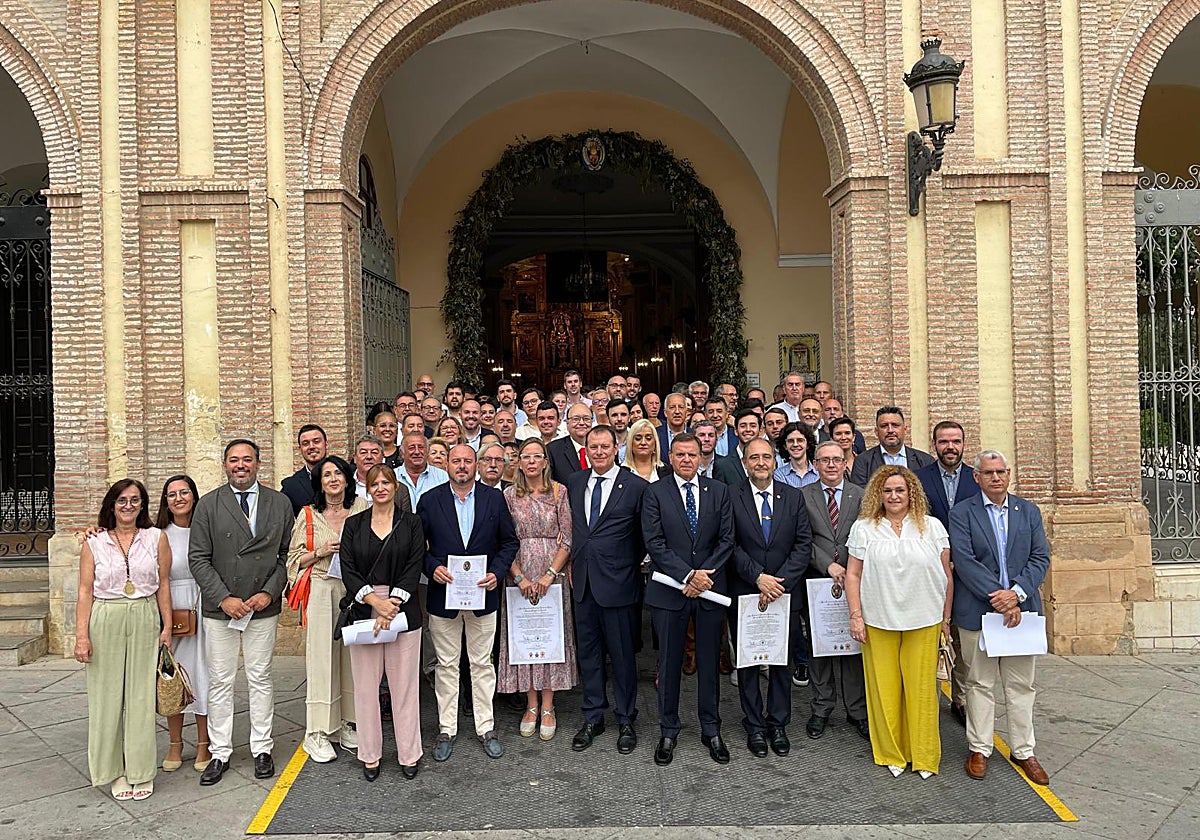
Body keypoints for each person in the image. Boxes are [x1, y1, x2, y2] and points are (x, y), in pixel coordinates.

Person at [189, 439, 295, 785]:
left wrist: (269, 591)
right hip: (222, 609)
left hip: (261, 606)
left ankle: (262, 748)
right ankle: (219, 752)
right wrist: (223, 598)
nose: (240, 465)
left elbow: (286, 555)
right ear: (225, 465)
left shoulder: (280, 503)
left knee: (260, 677)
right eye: (234, 460)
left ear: (257, 463)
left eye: (247, 460)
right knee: (220, 681)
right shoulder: (208, 505)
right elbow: (198, 557)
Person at [949, 451, 1051, 785]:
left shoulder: (1029, 511)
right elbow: (964, 561)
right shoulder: (962, 512)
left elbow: (1040, 557)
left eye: (1001, 472)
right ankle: (980, 747)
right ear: (976, 477)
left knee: (1022, 684)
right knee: (979, 682)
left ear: (1009, 475)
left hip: (1021, 612)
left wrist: (1017, 594)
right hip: (979, 611)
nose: (996, 477)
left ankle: (1024, 750)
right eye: (988, 472)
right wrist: (1000, 597)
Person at [845, 466, 952, 779]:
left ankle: (924, 756)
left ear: (911, 494)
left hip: (925, 618)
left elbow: (947, 575)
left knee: (921, 691)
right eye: (888, 490)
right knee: (884, 689)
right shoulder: (864, 528)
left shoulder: (931, 527)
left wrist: (945, 618)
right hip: (878, 619)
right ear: (879, 494)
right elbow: (853, 574)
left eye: (900, 490)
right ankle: (892, 753)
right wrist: (856, 615)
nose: (894, 496)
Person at [419, 445, 520, 762]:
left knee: (481, 664)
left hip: (483, 595)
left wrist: (497, 572)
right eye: (456, 461)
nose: (462, 466)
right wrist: (431, 566)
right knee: (446, 666)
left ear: (476, 465)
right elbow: (417, 547)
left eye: (467, 461)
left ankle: (485, 727)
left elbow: (509, 542)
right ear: (446, 465)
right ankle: (446, 729)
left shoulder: (494, 498)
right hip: (443, 596)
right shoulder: (430, 500)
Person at [76, 479, 173, 801]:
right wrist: (81, 637)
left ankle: (140, 770)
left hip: (145, 615)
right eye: (121, 500)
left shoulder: (156, 537)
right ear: (111, 505)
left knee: (141, 699)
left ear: (143, 505)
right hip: (105, 617)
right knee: (106, 699)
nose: (128, 505)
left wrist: (167, 627)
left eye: (135, 500)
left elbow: (163, 583)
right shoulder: (94, 542)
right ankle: (112, 771)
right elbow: (85, 590)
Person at [643, 434, 735, 766]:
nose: (686, 460)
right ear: (670, 456)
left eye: (692, 454)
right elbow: (654, 541)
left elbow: (727, 539)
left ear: (701, 457)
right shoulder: (655, 492)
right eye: (680, 454)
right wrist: (687, 575)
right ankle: (668, 730)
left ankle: (711, 729)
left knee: (710, 663)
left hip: (710, 589)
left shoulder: (719, 492)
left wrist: (703, 575)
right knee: (669, 664)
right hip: (671, 590)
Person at [339, 465, 426, 781]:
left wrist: (392, 605)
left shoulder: (412, 523)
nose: (380, 488)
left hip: (403, 609)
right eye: (374, 483)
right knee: (365, 688)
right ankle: (370, 754)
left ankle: (409, 753)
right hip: (365, 610)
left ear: (394, 485)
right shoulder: (353, 525)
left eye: (386, 482)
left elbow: (415, 564)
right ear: (367, 487)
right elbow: (348, 569)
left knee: (404, 687)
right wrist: (375, 603)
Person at [567, 426, 647, 754]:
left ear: (616, 448)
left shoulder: (637, 486)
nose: (599, 452)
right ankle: (593, 715)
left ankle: (626, 718)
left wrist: (627, 565)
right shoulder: (573, 483)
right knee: (589, 655)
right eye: (593, 447)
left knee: (623, 656)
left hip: (620, 585)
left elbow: (644, 535)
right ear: (586, 450)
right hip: (583, 583)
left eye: (605, 446)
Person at [729, 439, 812, 758]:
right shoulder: (731, 495)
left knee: (781, 660)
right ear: (746, 462)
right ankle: (753, 724)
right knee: (749, 661)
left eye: (766, 457)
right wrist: (757, 577)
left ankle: (777, 722)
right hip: (746, 589)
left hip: (783, 592)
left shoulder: (793, 497)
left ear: (775, 461)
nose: (761, 462)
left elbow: (803, 544)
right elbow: (729, 542)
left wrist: (780, 582)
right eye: (754, 457)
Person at [287, 456, 368, 764]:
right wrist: (319, 552)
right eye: (326, 475)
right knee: (322, 659)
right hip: (322, 588)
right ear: (319, 482)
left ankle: (348, 723)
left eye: (338, 473)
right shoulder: (308, 514)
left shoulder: (362, 508)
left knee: (352, 659)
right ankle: (318, 732)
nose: (333, 479)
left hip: (354, 589)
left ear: (347, 478)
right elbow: (293, 560)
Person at [499, 438, 577, 741]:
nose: (531, 461)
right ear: (518, 462)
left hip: (551, 574)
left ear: (545, 461)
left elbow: (568, 538)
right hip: (518, 573)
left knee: (550, 638)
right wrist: (519, 577)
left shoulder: (559, 492)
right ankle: (530, 705)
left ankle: (548, 705)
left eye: (537, 456)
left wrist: (549, 574)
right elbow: (503, 539)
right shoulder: (508, 496)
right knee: (524, 639)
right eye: (525, 456)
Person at [801, 441, 868, 740]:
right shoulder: (802, 497)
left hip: (854, 581)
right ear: (815, 464)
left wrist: (850, 568)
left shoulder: (862, 496)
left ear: (845, 464)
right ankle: (821, 708)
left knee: (853, 645)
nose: (830, 465)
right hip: (817, 580)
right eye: (824, 460)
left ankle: (857, 711)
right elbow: (801, 538)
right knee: (821, 647)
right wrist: (828, 564)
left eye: (836, 460)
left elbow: (868, 535)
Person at [915, 420, 980, 724]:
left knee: (964, 639)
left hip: (967, 573)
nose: (950, 447)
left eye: (955, 441)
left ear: (963, 444)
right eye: (944, 442)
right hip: (929, 570)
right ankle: (925, 697)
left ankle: (961, 698)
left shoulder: (976, 477)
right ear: (934, 445)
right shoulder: (919, 478)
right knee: (931, 634)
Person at [155, 475, 212, 773]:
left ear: (194, 495)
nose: (179, 498)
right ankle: (175, 743)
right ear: (165, 501)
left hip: (204, 605)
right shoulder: (157, 534)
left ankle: (204, 742)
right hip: (172, 607)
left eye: (184, 492)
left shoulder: (207, 528)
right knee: (173, 677)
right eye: (172, 494)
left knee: (203, 675)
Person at [849, 406, 935, 485]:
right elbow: (860, 495)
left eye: (895, 425)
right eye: (884, 426)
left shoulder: (925, 461)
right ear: (876, 431)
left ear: (905, 429)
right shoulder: (863, 461)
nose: (890, 430)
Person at [281, 424, 328, 514]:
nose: (311, 447)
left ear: (326, 444)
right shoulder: (290, 486)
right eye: (305, 443)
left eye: (316, 441)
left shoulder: (345, 476)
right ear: (300, 449)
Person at [396, 432, 450, 507]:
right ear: (402, 453)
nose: (417, 452)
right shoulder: (393, 476)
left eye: (421, 447)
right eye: (411, 448)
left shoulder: (443, 477)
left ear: (427, 451)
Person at [713, 408, 763, 485]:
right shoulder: (722, 465)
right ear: (736, 431)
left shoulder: (767, 461)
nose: (748, 429)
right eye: (743, 426)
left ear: (760, 431)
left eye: (753, 426)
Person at [548, 402, 593, 484]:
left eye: (586, 419)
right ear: (567, 423)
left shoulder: (602, 447)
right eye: (576, 419)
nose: (582, 423)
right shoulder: (553, 450)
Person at [774, 421, 819, 488]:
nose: (795, 444)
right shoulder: (779, 475)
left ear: (808, 444)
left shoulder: (819, 472)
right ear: (785, 446)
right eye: (790, 441)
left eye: (800, 440)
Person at [624, 418, 668, 482]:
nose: (643, 442)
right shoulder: (620, 472)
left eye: (648, 438)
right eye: (638, 438)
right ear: (630, 442)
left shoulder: (667, 472)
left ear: (655, 443)